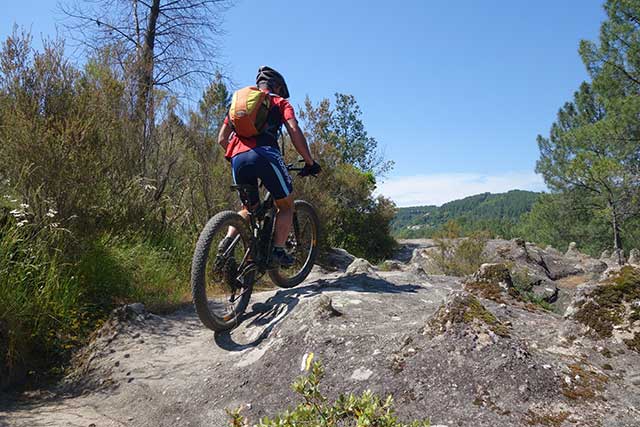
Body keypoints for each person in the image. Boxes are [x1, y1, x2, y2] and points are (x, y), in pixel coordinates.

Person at [217, 66, 321, 267]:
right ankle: (278, 251)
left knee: (249, 208)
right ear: (278, 87)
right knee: (286, 205)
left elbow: (222, 138)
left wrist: (238, 156)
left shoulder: (239, 106)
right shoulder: (280, 102)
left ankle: (227, 243)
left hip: (237, 157)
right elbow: (294, 130)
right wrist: (309, 162)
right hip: (266, 155)